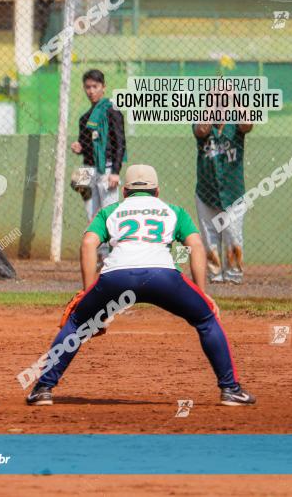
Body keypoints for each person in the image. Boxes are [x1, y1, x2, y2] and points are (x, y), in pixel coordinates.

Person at [24, 164, 255, 408]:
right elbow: (196, 246)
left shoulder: (110, 211)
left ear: (124, 191)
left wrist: (88, 292)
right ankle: (230, 389)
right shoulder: (173, 211)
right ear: (157, 192)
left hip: (116, 277)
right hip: (163, 276)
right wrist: (201, 294)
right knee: (206, 320)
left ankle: (43, 389)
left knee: (77, 323)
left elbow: (88, 244)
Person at [193, 120, 252, 284]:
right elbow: (201, 130)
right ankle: (215, 277)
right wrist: (213, 102)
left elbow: (247, 124)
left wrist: (234, 97)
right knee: (209, 236)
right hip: (206, 191)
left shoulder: (235, 123)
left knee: (233, 235)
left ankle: (233, 277)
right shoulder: (201, 121)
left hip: (233, 192)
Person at [70, 69, 127, 221]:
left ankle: (111, 246)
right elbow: (85, 145)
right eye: (88, 87)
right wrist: (78, 147)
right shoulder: (84, 118)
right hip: (88, 169)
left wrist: (115, 171)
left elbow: (120, 143)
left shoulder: (112, 111)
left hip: (107, 169)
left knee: (109, 216)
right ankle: (95, 246)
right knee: (92, 217)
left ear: (103, 87)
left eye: (95, 86)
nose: (91, 91)